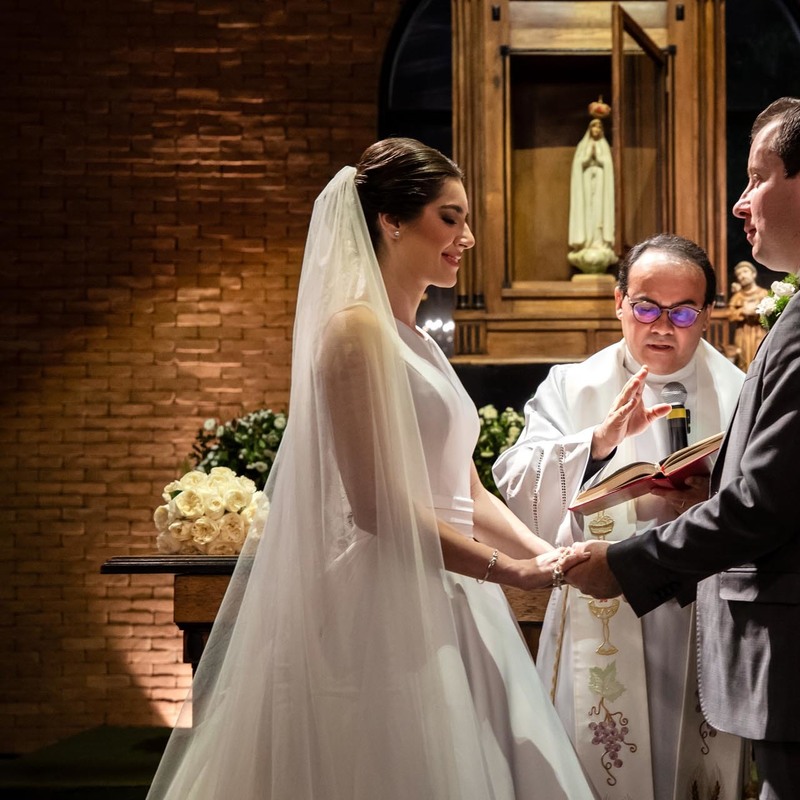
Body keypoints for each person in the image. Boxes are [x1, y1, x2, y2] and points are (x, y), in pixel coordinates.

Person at [148, 139, 595, 799]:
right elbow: (375, 507)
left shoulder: (418, 340)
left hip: (451, 584)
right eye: (450, 217)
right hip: (383, 593)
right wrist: (510, 571)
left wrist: (548, 555)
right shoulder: (354, 333)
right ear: (391, 220)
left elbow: (465, 487)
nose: (466, 237)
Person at [566, 98, 800, 799]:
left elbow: (764, 507)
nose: (740, 205)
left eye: (756, 177)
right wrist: (709, 491)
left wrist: (624, 562)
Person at [492, 234, 746, 800]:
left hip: (699, 611)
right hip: (602, 604)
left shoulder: (740, 391)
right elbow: (514, 481)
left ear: (707, 313)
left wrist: (715, 495)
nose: (663, 326)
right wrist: (598, 443)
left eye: (683, 311)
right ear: (618, 303)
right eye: (646, 307)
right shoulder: (572, 384)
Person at [567, 117, 618, 274]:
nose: (596, 131)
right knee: (587, 216)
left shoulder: (604, 148)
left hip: (601, 190)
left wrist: (600, 160)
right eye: (593, 128)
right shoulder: (582, 147)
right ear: (590, 130)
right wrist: (588, 158)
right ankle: (587, 243)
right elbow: (578, 164)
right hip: (586, 189)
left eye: (598, 128)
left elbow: (608, 165)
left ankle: (599, 243)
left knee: (599, 217)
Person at [726, 260, 770, 368]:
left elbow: (771, 312)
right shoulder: (737, 297)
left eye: (745, 272)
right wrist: (742, 311)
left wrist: (756, 312)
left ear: (753, 274)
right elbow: (730, 314)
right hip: (743, 334)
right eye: (739, 274)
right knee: (743, 361)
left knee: (761, 358)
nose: (742, 276)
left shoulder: (764, 293)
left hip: (759, 332)